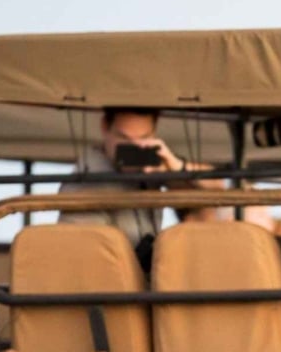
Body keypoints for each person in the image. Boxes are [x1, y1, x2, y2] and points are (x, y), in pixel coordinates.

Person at [57, 107, 224, 270]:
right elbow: (85, 259)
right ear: (104, 127)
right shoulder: (86, 181)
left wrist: (176, 166)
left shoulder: (151, 166)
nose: (134, 148)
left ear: (154, 132)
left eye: (144, 138)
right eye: (124, 138)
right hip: (112, 285)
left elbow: (216, 186)